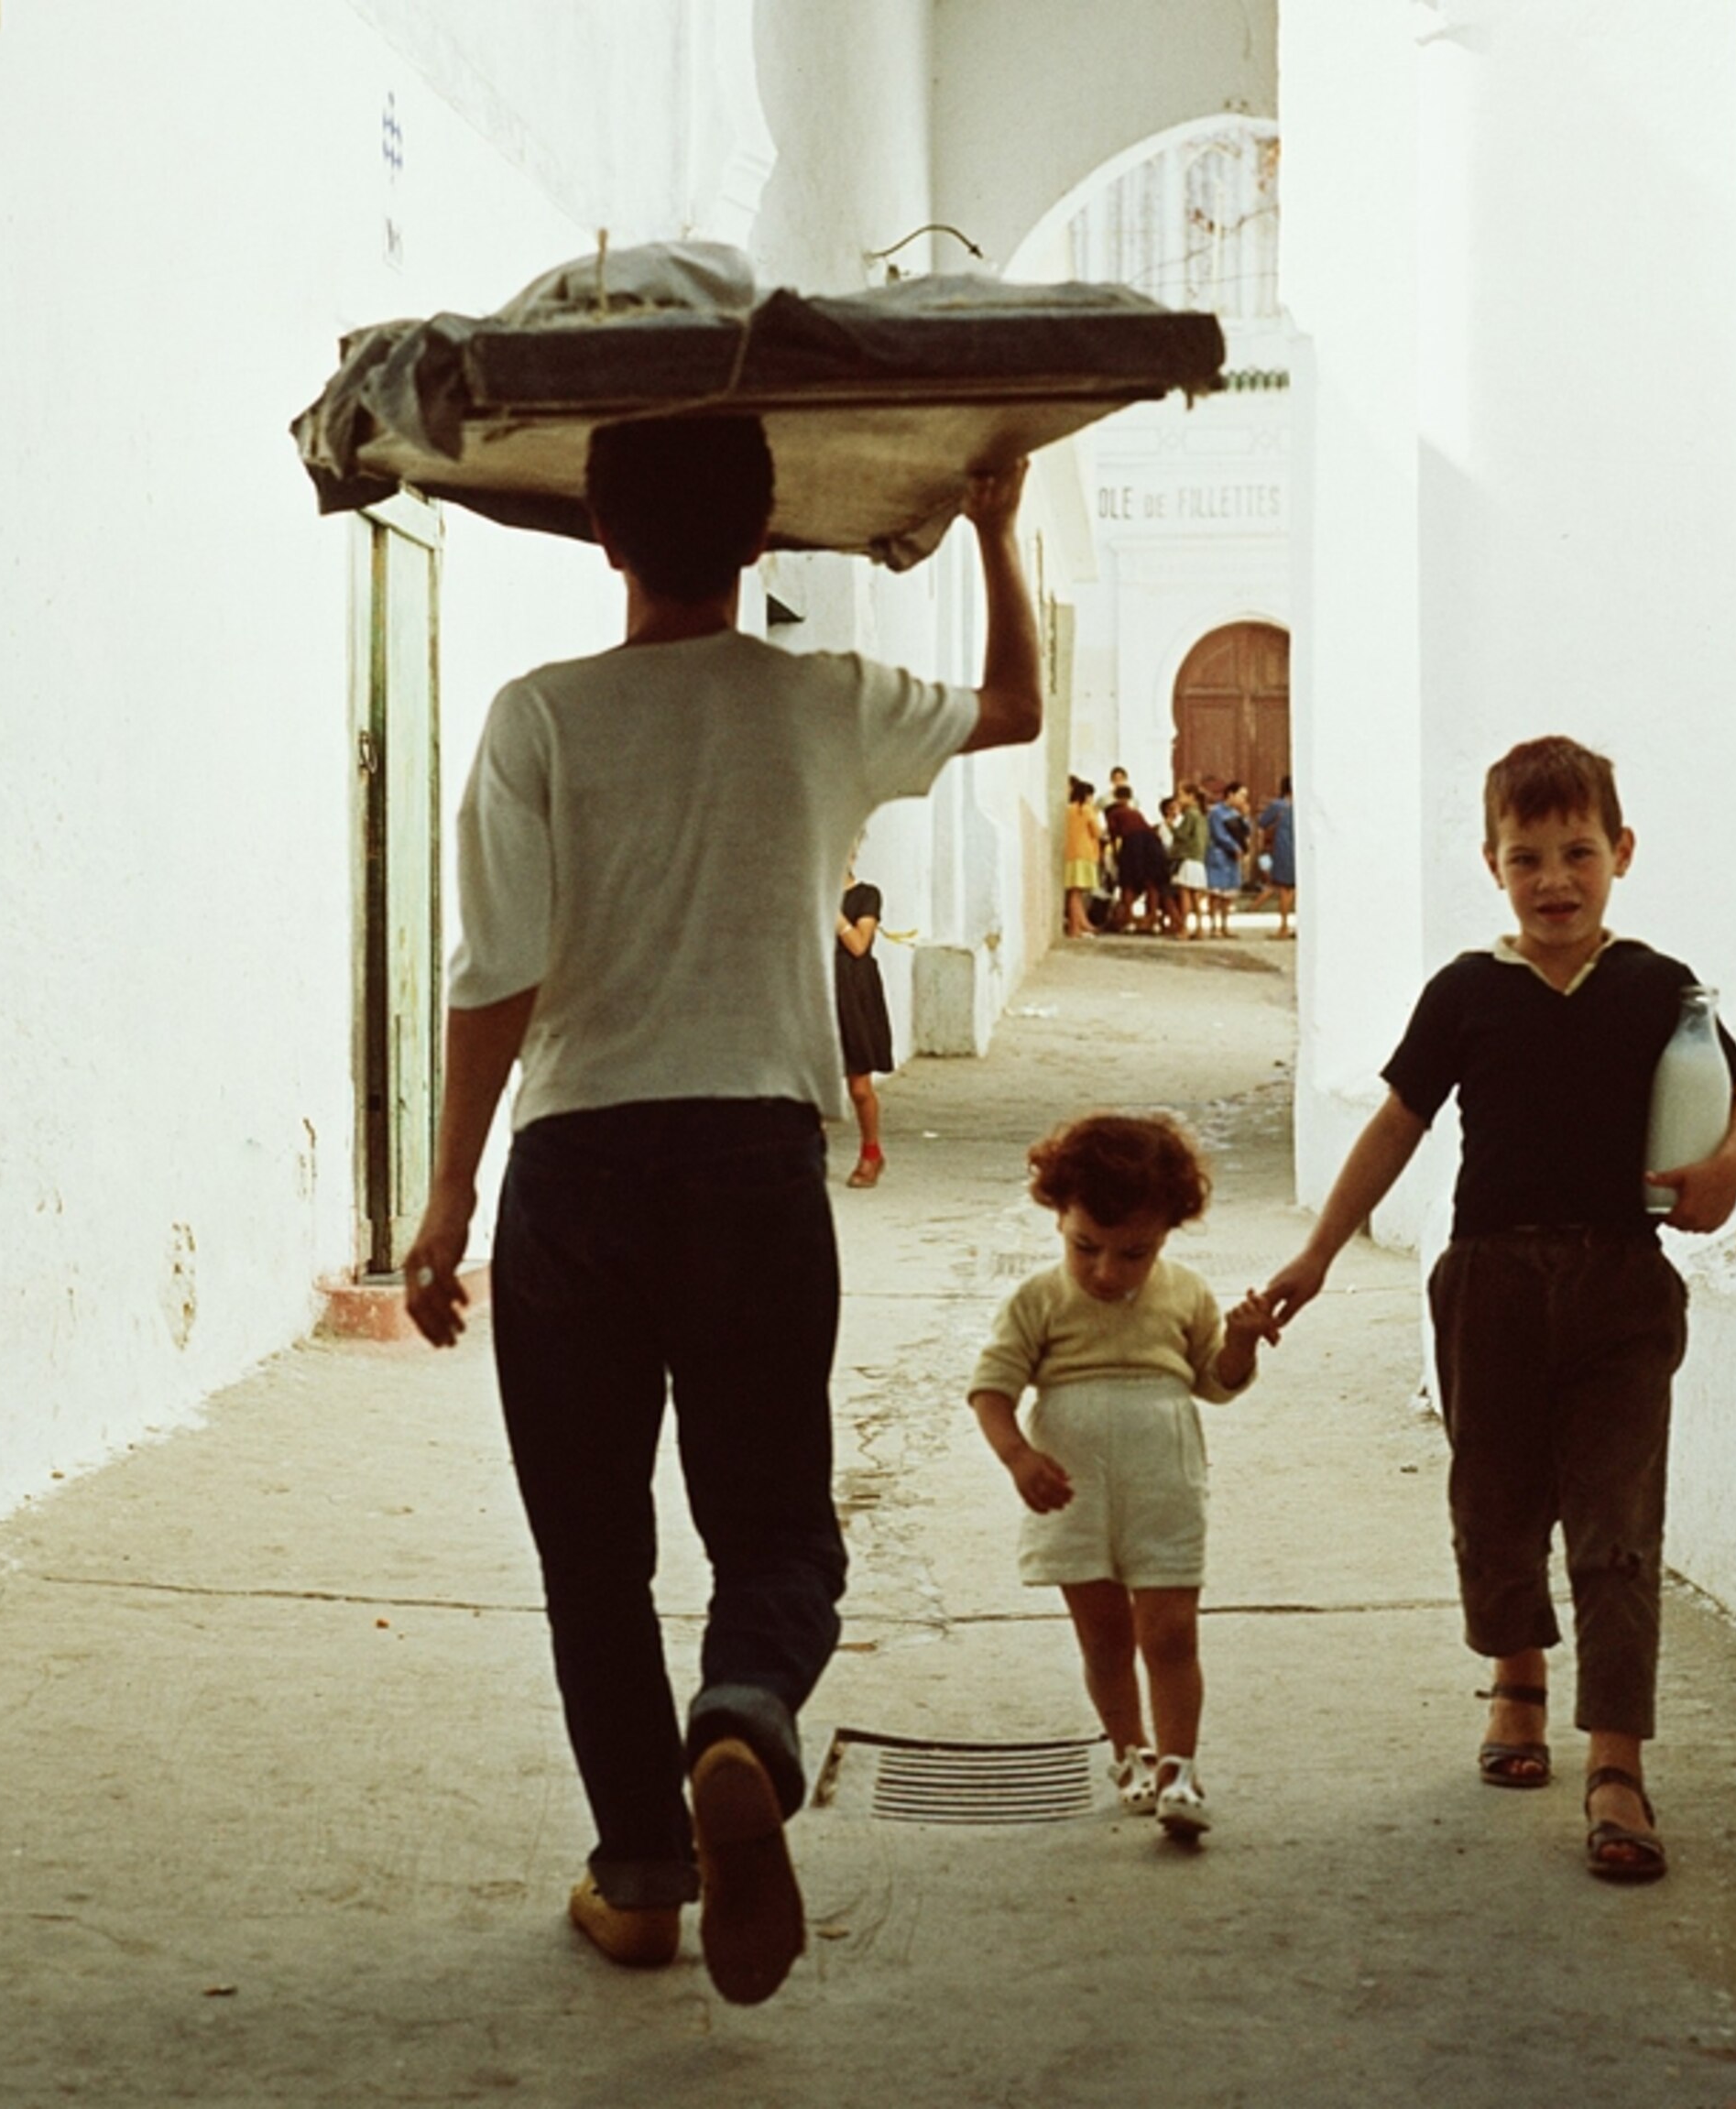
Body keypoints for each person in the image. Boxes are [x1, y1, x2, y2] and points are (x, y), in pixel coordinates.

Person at [400, 415, 1042, 2001]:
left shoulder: (537, 715)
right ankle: (745, 1710)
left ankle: (637, 1877)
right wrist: (996, 531)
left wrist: (444, 1203)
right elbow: (1021, 709)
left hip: (575, 1175)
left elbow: (495, 979)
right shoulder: (824, 699)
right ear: (762, 538)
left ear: (602, 539)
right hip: (752, 1163)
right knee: (771, 1525)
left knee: (590, 1550)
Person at [1249, 735, 1736, 1884]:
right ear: (1492, 864)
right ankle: (1518, 1678)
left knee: (1619, 1522)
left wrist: (1727, 1171)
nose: (1554, 880)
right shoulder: (1465, 994)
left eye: (1577, 851)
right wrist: (1318, 1253)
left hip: (1623, 1285)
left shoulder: (1656, 987)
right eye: (1526, 856)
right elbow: (1395, 1125)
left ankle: (1617, 1761)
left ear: (1620, 853)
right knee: (1494, 1502)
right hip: (1487, 1283)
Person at [966, 1114, 1270, 1841]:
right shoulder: (1038, 1299)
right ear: (1059, 1217)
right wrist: (1017, 1458)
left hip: (1164, 1481)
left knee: (1170, 1632)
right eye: (1085, 1248)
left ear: (1167, 1232)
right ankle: (1127, 1753)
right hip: (1072, 1487)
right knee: (1104, 1638)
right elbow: (992, 1387)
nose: (1106, 1272)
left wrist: (1244, 1340)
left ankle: (1179, 1769)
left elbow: (1216, 1383)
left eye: (1133, 1254)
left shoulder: (1186, 1293)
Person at [835, 861, 890, 1187]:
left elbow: (858, 944)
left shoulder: (867, 895)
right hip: (819, 989)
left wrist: (833, 912)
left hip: (854, 993)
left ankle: (871, 1154)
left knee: (859, 1087)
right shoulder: (809, 892)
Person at [1105, 783, 1167, 933]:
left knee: (1128, 882)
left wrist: (1116, 855)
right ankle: (1152, 919)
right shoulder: (1135, 813)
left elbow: (1114, 835)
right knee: (1152, 882)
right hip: (1152, 842)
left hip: (1132, 843)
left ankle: (1129, 919)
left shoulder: (1112, 813)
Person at [1203, 781, 1250, 938]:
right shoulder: (1216, 812)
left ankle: (1225, 925)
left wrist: (1245, 816)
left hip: (1232, 858)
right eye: (1241, 795)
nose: (1243, 799)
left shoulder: (1236, 814)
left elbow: (1245, 832)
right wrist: (1233, 847)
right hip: (1220, 854)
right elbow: (1218, 834)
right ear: (1230, 794)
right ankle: (1214, 925)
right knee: (1216, 893)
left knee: (1228, 895)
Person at [1064, 777, 1104, 939]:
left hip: (1071, 853)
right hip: (1085, 852)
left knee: (1075, 892)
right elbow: (1097, 832)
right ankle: (1075, 928)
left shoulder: (1068, 810)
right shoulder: (1086, 810)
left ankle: (1080, 925)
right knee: (1076, 893)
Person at [1166, 785, 1209, 939]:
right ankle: (1199, 928)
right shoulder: (1201, 815)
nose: (1179, 799)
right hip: (1198, 858)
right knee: (1196, 895)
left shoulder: (1190, 814)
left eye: (1181, 796)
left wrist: (1171, 825)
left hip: (1188, 857)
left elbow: (1182, 835)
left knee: (1185, 894)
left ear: (1191, 797)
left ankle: (1184, 928)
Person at [1260, 776, 1296, 937]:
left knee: (1284, 889)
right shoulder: (1302, 805)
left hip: (1283, 849)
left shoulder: (1278, 806)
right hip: (1300, 850)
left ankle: (1284, 925)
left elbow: (1262, 822)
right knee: (1295, 889)